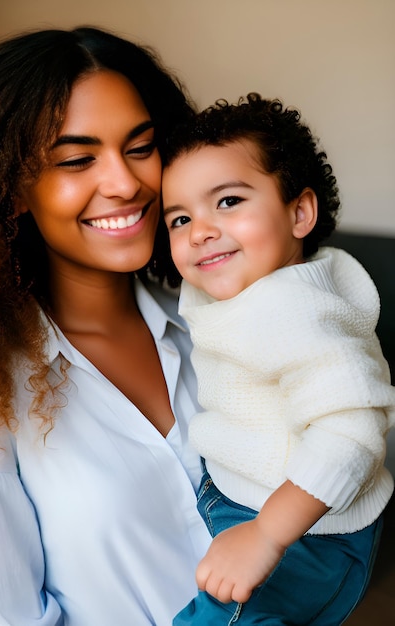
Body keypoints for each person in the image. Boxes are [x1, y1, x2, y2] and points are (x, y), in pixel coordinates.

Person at [0, 26, 212, 625]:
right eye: (78, 159)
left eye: (140, 147)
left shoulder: (213, 336)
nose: (125, 182)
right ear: (12, 190)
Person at [161, 93, 395, 625]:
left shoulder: (294, 310)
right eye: (178, 219)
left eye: (227, 202)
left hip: (306, 529)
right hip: (243, 493)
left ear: (299, 212)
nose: (199, 230)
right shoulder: (241, 283)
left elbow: (353, 429)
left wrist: (267, 534)